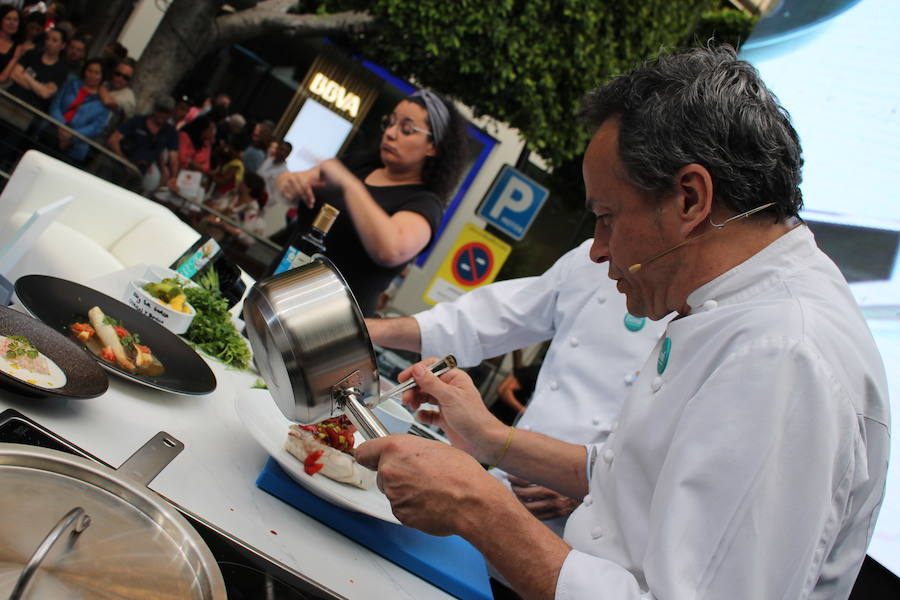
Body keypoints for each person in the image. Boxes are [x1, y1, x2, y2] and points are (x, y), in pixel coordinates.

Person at [354, 46, 890, 599]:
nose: (596, 250)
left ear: (690, 198)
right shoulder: (732, 305)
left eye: (607, 218)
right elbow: (629, 478)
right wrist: (488, 437)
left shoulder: (782, 356)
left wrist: (477, 507)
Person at [365, 239, 668, 536]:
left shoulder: (703, 314)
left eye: (610, 215)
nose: (597, 249)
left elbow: (671, 462)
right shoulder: (593, 260)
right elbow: (486, 318)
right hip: (500, 488)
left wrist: (588, 484)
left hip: (582, 534)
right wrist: (367, 330)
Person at [278, 89, 468, 316]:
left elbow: (392, 249)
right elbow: (292, 184)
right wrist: (289, 182)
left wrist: (350, 186)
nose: (390, 133)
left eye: (406, 129)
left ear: (433, 147)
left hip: (326, 327)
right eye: (390, 123)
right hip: (278, 295)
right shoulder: (359, 165)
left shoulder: (424, 204)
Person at [42, 56, 108, 162]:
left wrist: (72, 135)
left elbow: (95, 127)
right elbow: (55, 104)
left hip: (75, 146)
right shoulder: (71, 84)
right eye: (89, 71)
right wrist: (62, 126)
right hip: (53, 130)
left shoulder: (103, 102)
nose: (92, 75)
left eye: (97, 73)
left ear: (102, 76)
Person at [107, 95, 178, 191]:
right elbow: (113, 140)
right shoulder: (138, 121)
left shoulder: (170, 132)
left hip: (137, 177)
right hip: (115, 168)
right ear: (154, 109)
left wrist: (172, 178)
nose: (162, 114)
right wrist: (126, 162)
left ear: (171, 114)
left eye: (166, 112)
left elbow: (172, 157)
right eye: (160, 110)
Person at [8, 25, 67, 113]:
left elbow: (45, 93)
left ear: (62, 45)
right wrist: (39, 87)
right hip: (11, 99)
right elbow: (14, 74)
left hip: (32, 110)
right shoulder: (31, 54)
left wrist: (26, 76)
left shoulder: (62, 70)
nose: (49, 43)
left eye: (54, 40)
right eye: (48, 38)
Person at [0, 5, 23, 85]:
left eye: (15, 20)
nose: (12, 23)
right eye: (8, 19)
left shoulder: (18, 48)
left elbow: (3, 78)